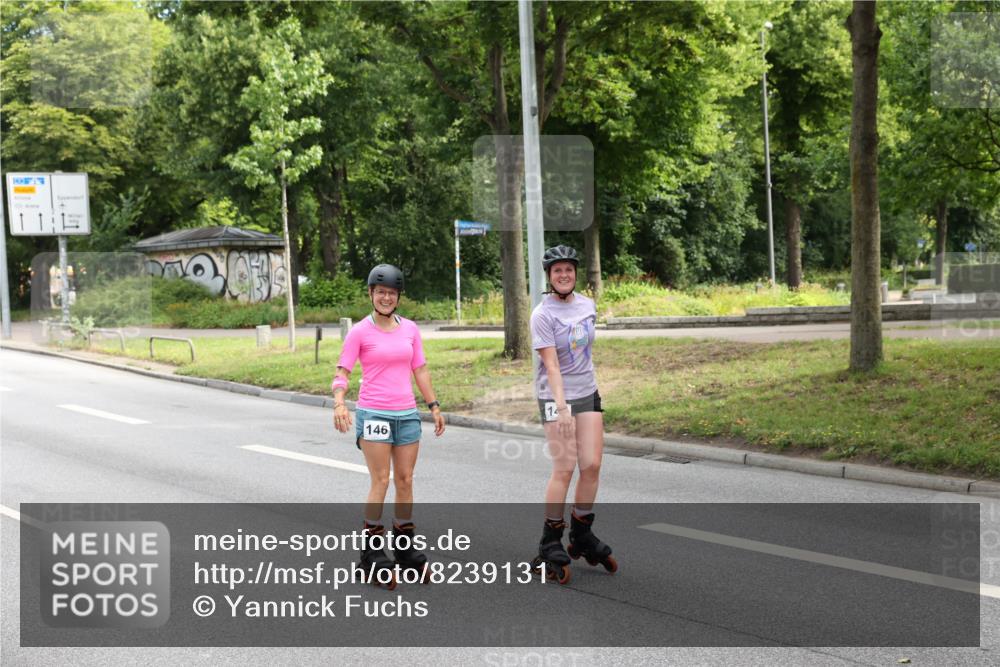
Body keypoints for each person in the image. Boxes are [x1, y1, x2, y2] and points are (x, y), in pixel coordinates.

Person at [331, 264, 445, 586]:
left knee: (405, 480)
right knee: (381, 479)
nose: (386, 297)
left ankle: (405, 550)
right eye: (380, 292)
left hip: (406, 414)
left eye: (391, 293)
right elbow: (342, 372)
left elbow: (420, 369)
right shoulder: (359, 332)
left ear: (398, 297)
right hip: (374, 414)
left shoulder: (410, 329)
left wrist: (434, 406)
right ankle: (371, 554)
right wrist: (339, 402)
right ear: (371, 293)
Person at [530, 245, 617, 584]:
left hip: (587, 391)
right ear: (549, 276)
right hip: (556, 398)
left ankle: (581, 533)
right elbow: (551, 365)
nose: (564, 275)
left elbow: (585, 353)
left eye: (568, 269)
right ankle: (550, 540)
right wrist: (563, 407)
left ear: (575, 273)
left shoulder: (587, 305)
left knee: (592, 465)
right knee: (565, 468)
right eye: (557, 271)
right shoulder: (542, 314)